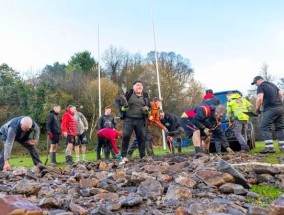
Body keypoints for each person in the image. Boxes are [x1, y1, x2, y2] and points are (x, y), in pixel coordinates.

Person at [115, 80, 151, 164]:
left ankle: (142, 156)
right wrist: (122, 108)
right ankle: (123, 157)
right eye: (137, 85)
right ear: (133, 87)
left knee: (141, 138)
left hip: (140, 120)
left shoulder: (146, 96)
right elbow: (118, 102)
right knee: (126, 136)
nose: (139, 86)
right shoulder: (128, 94)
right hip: (129, 119)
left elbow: (149, 108)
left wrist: (147, 111)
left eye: (141, 85)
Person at [251, 76, 284, 153]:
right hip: (280, 108)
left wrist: (257, 109)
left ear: (260, 80)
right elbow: (281, 95)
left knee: (265, 126)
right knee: (280, 128)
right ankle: (283, 147)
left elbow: (259, 99)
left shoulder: (261, 86)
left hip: (270, 109)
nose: (256, 84)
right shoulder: (273, 85)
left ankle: (269, 147)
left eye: (255, 83)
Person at [201, 89, 234, 155]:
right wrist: (219, 121)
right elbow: (220, 110)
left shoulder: (203, 101)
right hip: (214, 119)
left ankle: (207, 151)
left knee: (211, 136)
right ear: (212, 93)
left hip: (206, 120)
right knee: (220, 134)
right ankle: (227, 148)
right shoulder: (216, 99)